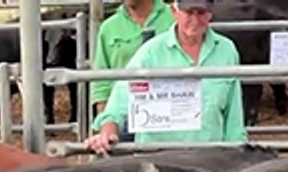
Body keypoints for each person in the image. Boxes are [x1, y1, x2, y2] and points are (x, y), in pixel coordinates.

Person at [86, 0, 245, 154]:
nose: (195, 20)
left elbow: (234, 112)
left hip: (209, 157)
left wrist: (237, 151)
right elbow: (121, 97)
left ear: (210, 14)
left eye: (201, 12)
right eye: (189, 12)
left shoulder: (226, 50)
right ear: (174, 12)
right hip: (157, 158)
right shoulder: (150, 53)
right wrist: (108, 128)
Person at [90, 0, 176, 142]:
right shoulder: (109, 27)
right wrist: (106, 122)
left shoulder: (174, 17)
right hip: (123, 113)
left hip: (168, 108)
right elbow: (101, 80)